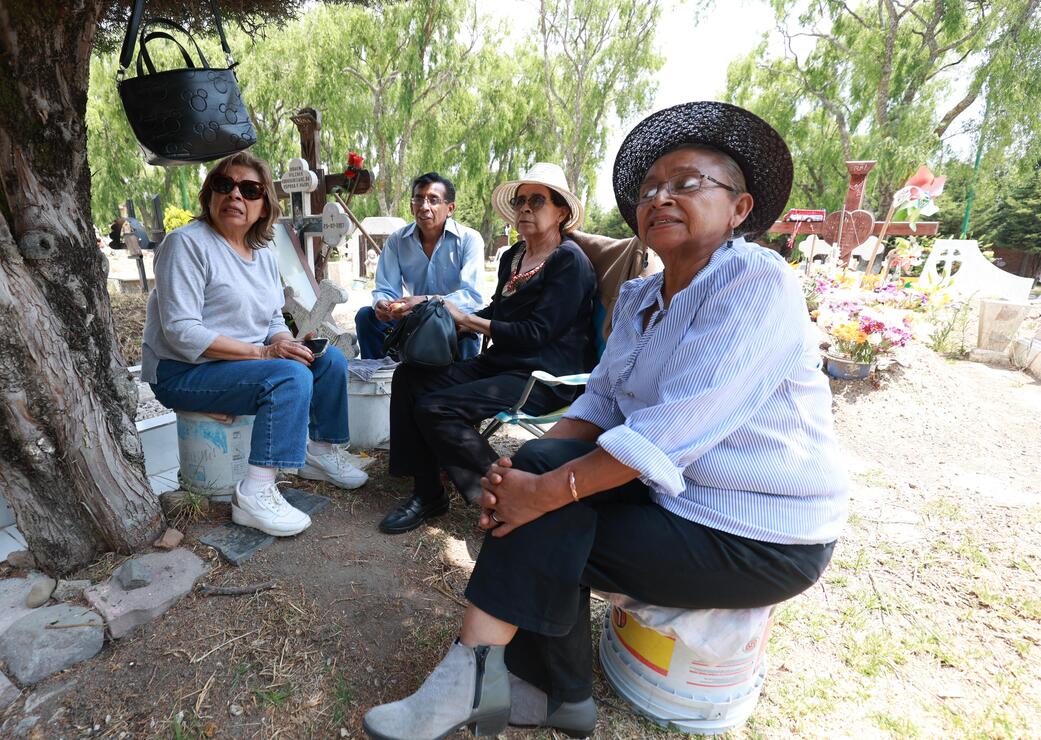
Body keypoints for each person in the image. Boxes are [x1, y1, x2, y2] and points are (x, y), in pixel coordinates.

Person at [361, 102, 847, 740]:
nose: (662, 196)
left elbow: (665, 431)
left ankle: (498, 680)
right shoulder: (645, 296)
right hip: (672, 497)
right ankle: (553, 696)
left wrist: (543, 492)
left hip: (755, 528)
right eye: (651, 189)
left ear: (740, 208)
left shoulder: (756, 281)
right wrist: (516, 474)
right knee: (531, 490)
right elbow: (600, 404)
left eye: (688, 183)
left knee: (548, 515)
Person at [140, 151, 368, 538]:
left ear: (264, 206)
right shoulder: (186, 245)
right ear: (209, 195)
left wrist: (283, 341)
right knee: (288, 377)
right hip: (183, 371)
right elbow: (181, 332)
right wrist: (265, 353)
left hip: (236, 367)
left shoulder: (262, 253)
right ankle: (256, 491)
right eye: (224, 186)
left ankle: (320, 452)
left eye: (249, 190)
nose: (235, 196)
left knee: (328, 363)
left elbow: (272, 318)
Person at [377, 163, 597, 535]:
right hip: (500, 364)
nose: (524, 208)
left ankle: (508, 497)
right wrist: (446, 316)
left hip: (542, 376)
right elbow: (497, 311)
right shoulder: (514, 256)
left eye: (537, 200)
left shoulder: (568, 261)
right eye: (520, 200)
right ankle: (427, 490)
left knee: (436, 407)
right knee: (410, 376)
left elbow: (536, 333)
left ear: (561, 212)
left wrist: (465, 318)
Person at [355, 173, 484, 360]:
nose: (424, 207)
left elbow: (472, 297)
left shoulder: (468, 240)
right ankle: (380, 380)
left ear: (450, 208)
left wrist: (425, 302)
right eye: (418, 199)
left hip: (452, 323)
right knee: (367, 317)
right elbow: (386, 288)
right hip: (412, 323)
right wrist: (383, 304)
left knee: (466, 331)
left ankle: (458, 383)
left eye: (433, 200)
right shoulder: (397, 241)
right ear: (411, 206)